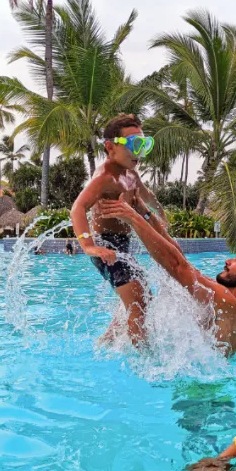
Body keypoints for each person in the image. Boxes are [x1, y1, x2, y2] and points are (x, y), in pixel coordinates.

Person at [99, 194, 236, 356]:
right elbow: (179, 255)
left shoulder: (231, 304)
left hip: (201, 388)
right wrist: (144, 213)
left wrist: (132, 218)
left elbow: (177, 266)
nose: (228, 262)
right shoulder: (231, 304)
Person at [71, 114, 167, 346]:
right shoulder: (105, 177)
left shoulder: (130, 174)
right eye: (135, 144)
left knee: (144, 296)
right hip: (106, 247)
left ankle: (104, 343)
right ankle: (143, 358)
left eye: (144, 144)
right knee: (137, 305)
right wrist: (89, 245)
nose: (140, 151)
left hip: (122, 247)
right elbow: (78, 208)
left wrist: (159, 216)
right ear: (111, 147)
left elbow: (146, 196)